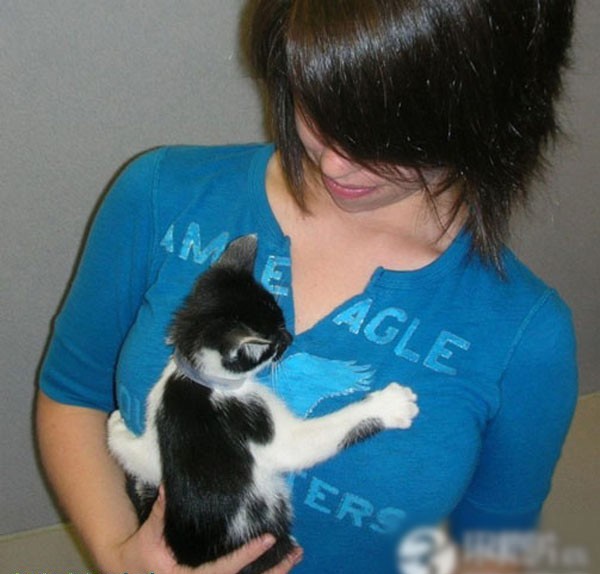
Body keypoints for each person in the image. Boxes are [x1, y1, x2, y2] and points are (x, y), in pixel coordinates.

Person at [36, 0, 578, 573]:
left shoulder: (526, 334)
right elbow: (74, 399)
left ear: (496, 116)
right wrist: (121, 560)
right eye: (317, 104)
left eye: (396, 137)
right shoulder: (160, 194)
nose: (337, 164)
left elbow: (490, 551)